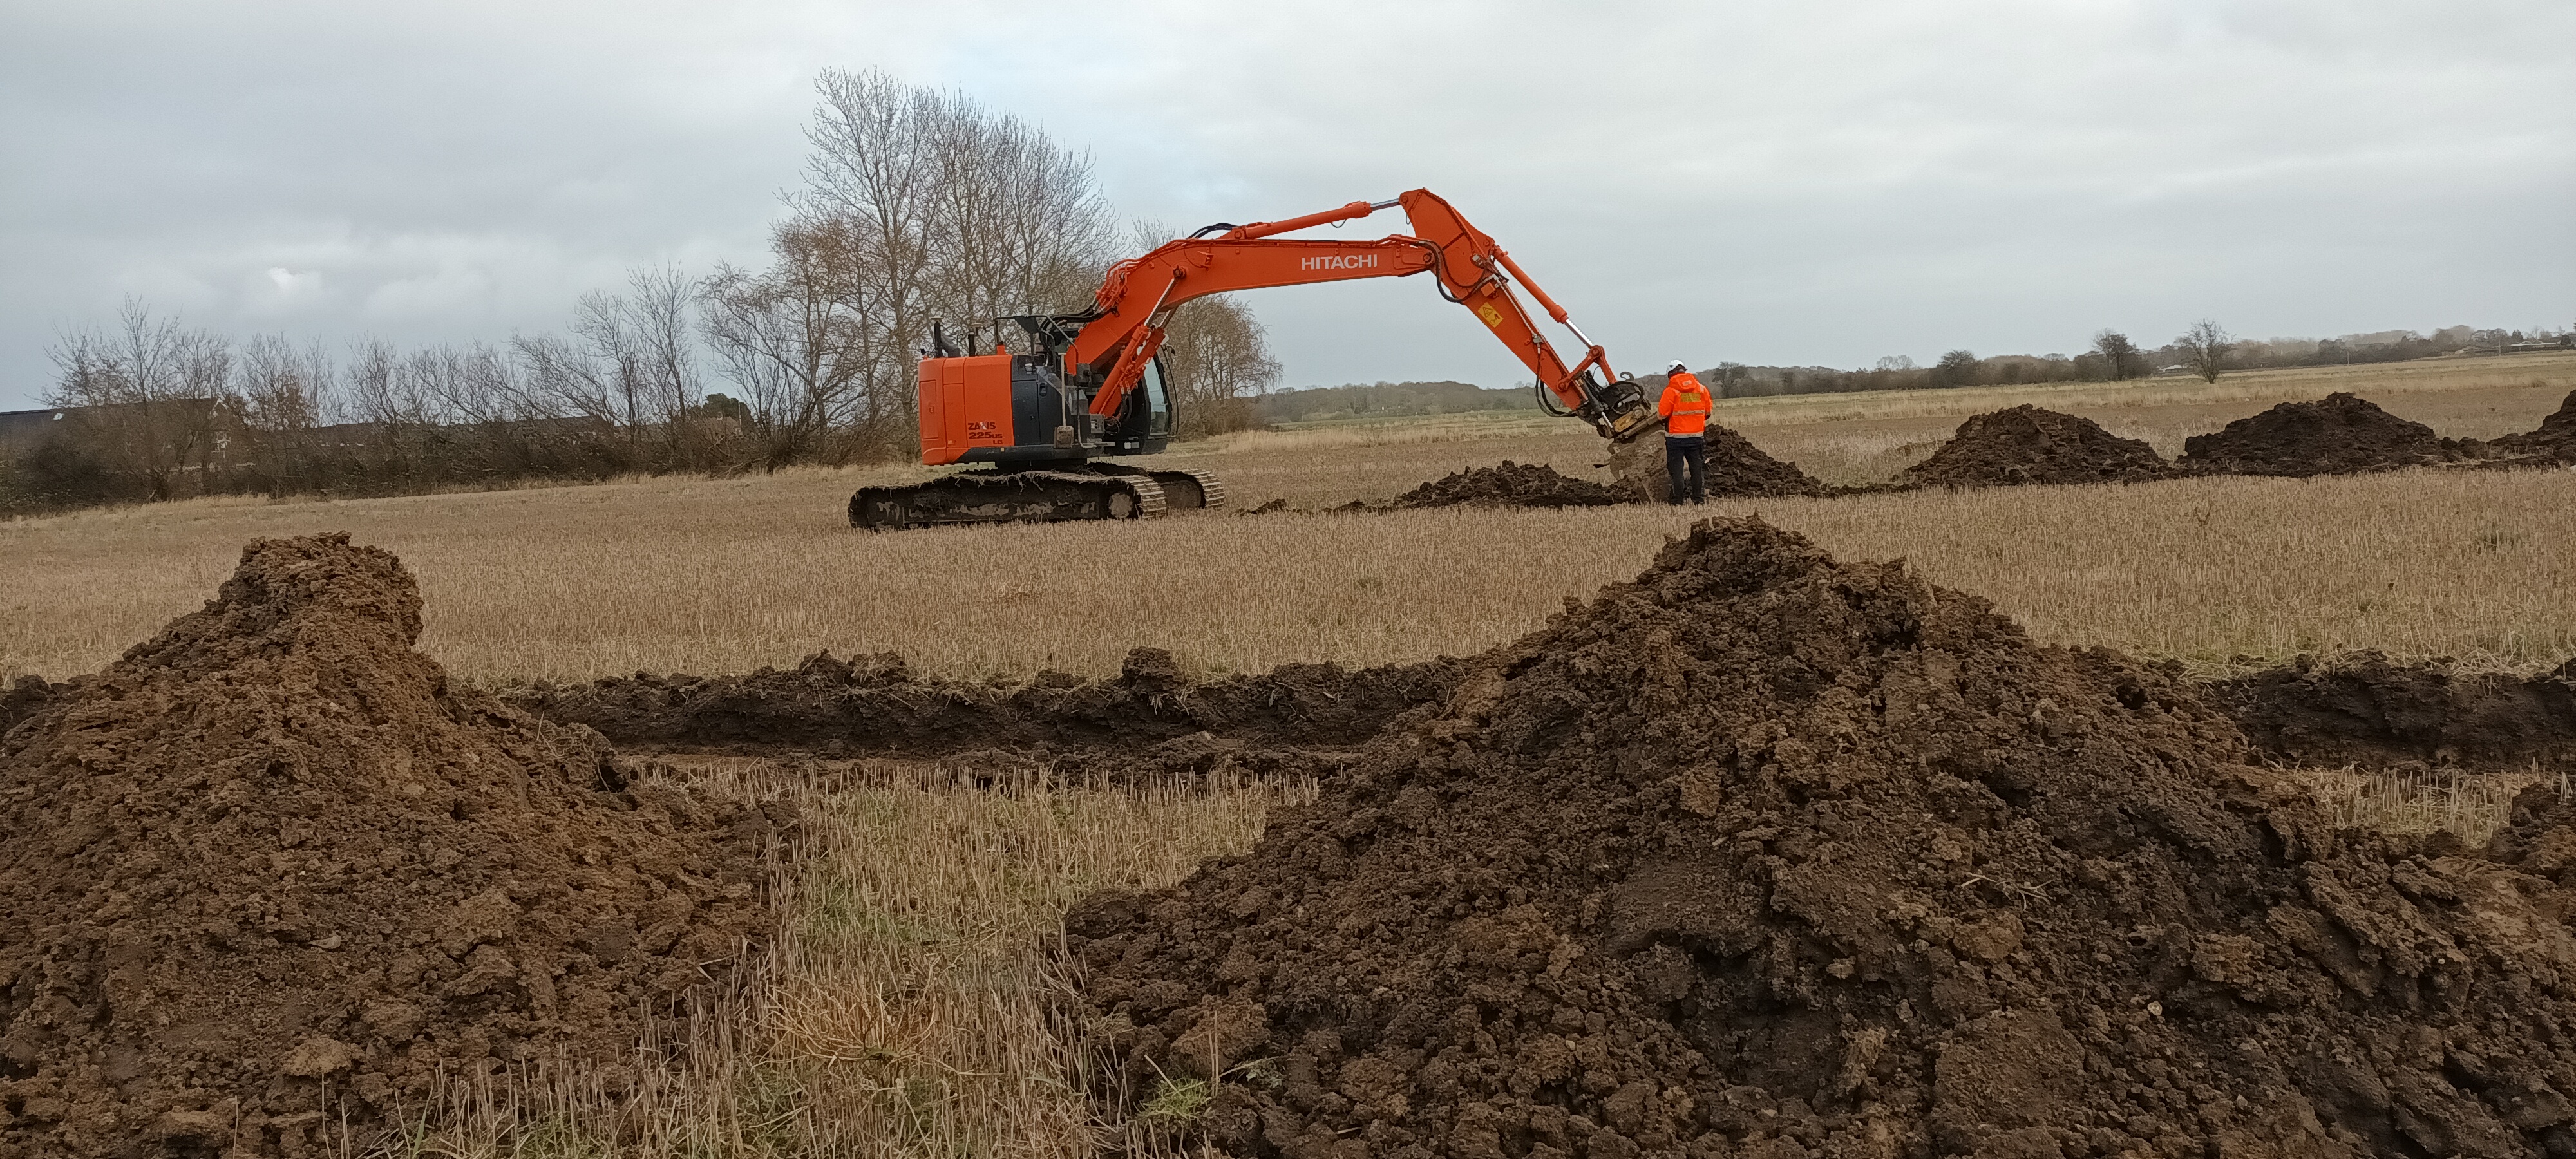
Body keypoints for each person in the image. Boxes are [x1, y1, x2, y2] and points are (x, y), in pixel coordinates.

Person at [1657, 360, 1712, 505]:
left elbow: (1662, 415)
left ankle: (1678, 501)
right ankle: (1698, 500)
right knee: (1696, 468)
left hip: (1675, 438)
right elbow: (1708, 413)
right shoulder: (1701, 389)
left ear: (1670, 374)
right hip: (1696, 437)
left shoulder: (1670, 391)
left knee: (1677, 470)